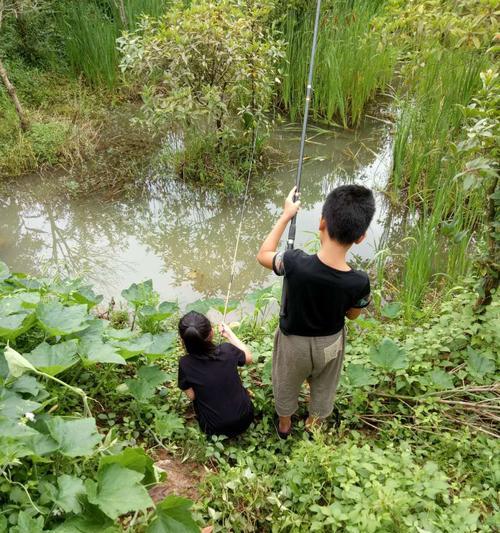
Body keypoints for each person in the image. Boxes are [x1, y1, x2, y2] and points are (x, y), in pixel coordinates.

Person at [256, 184, 375, 438]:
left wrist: (287, 214)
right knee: (324, 386)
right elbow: (353, 315)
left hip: (293, 345)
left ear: (322, 223)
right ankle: (314, 425)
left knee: (286, 383)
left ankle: (285, 425)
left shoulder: (294, 262)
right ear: (360, 237)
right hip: (330, 344)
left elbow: (263, 254)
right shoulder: (359, 281)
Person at [177, 311, 254, 437]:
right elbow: (249, 358)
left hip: (213, 429)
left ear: (182, 340)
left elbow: (192, 396)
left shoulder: (185, 363)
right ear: (211, 332)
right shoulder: (227, 350)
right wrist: (229, 334)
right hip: (245, 417)